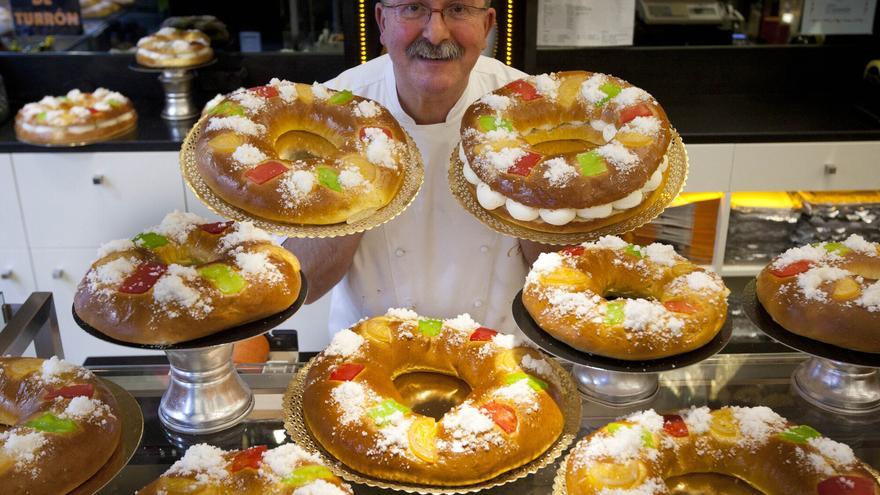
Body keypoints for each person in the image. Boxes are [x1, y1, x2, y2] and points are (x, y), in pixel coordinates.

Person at [284, 0, 545, 337]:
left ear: (487, 24)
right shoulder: (331, 113)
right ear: (381, 20)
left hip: (501, 353)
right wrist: (357, 186)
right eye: (413, 8)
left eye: (457, 10)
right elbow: (304, 284)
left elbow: (555, 274)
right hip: (369, 358)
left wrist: (527, 189)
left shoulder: (527, 111)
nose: (435, 34)